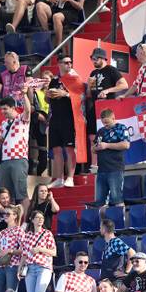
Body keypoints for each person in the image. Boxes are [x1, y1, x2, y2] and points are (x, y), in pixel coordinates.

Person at [86, 47, 127, 169]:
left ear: (102, 58)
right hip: (95, 106)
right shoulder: (93, 73)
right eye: (91, 58)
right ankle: (94, 164)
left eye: (95, 58)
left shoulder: (111, 70)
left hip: (107, 107)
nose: (93, 61)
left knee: (108, 134)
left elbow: (124, 85)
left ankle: (108, 162)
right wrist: (88, 86)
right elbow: (90, 94)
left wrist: (107, 90)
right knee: (92, 135)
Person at [46, 59, 83, 187]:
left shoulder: (75, 78)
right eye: (65, 62)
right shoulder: (54, 80)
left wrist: (65, 94)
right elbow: (47, 100)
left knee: (69, 148)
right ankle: (59, 178)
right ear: (59, 64)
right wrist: (48, 94)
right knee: (56, 149)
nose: (69, 64)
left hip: (69, 118)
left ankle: (70, 178)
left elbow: (81, 97)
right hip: (55, 117)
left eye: (70, 62)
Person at [0, 91, 33, 205]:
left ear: (13, 108)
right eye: (1, 109)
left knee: (22, 193)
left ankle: (25, 221)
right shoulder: (3, 123)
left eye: (5, 109)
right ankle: (10, 220)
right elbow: (3, 143)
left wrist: (25, 94)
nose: (2, 112)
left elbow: (28, 110)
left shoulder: (22, 119)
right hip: (5, 161)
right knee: (6, 195)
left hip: (18, 158)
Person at [92, 108, 131, 211]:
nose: (106, 125)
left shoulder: (121, 128)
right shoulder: (101, 131)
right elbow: (93, 148)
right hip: (101, 169)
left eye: (107, 123)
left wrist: (106, 145)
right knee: (100, 200)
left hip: (115, 168)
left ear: (113, 118)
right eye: (104, 123)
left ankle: (121, 223)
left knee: (116, 198)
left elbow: (126, 145)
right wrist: (96, 148)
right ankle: (102, 224)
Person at [19, 209, 57, 292]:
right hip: (30, 268)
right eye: (38, 217)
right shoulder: (27, 235)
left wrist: (40, 249)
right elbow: (24, 254)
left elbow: (54, 252)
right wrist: (20, 268)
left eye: (42, 218)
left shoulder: (47, 234)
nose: (40, 219)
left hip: (43, 267)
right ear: (32, 220)